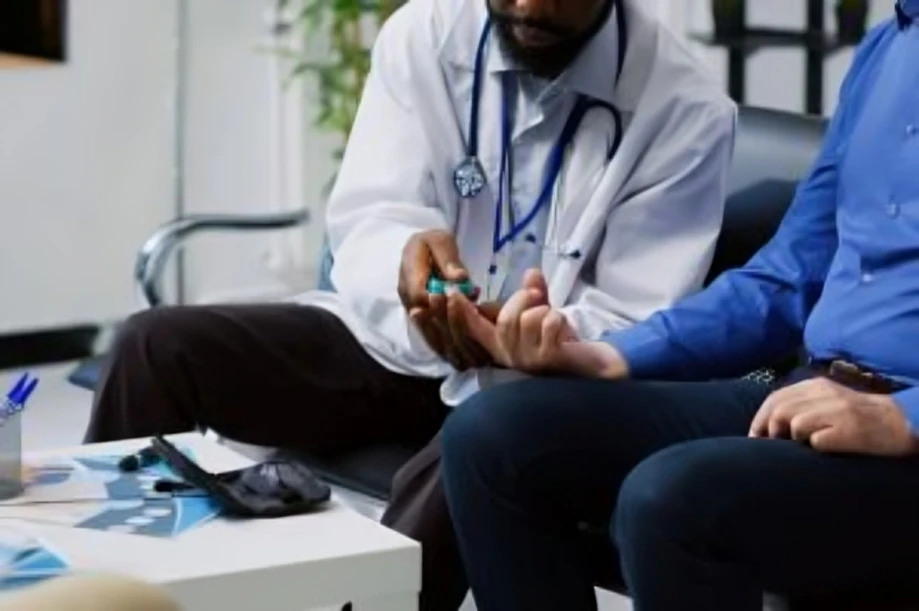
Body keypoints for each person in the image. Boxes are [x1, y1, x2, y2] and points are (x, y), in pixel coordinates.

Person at [84, 0, 735, 609]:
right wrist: (405, 261)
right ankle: (96, 588)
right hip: (400, 338)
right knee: (155, 345)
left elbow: (634, 315)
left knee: (477, 444)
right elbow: (373, 211)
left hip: (527, 383)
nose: (529, 7)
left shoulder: (684, 107)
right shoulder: (426, 33)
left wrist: (539, 335)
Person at [439, 3, 919, 610]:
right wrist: (608, 355)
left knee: (672, 500)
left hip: (901, 437)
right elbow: (786, 276)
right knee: (493, 436)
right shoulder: (885, 50)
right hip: (816, 396)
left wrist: (902, 418)